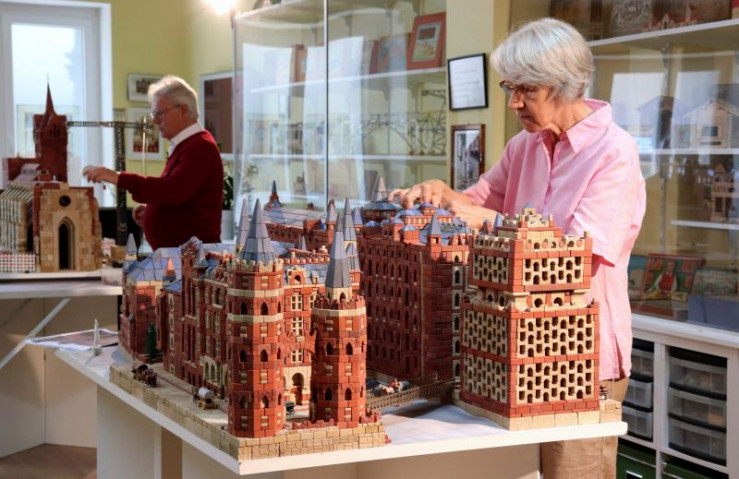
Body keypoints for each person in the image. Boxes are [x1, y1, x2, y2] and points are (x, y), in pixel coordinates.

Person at [390, 18, 646, 479]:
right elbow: (473, 202)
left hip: (579, 359)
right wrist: (442, 194)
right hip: (512, 347)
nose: (514, 103)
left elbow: (577, 255)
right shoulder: (524, 145)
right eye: (510, 87)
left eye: (526, 89)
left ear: (565, 83)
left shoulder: (615, 152)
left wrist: (485, 219)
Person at [84, 75, 223, 250]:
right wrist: (153, 209)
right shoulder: (187, 145)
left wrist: (119, 178)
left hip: (191, 258)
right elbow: (181, 196)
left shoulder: (200, 147)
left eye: (159, 114)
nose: (155, 121)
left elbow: (175, 190)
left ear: (183, 110)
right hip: (179, 255)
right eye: (154, 115)